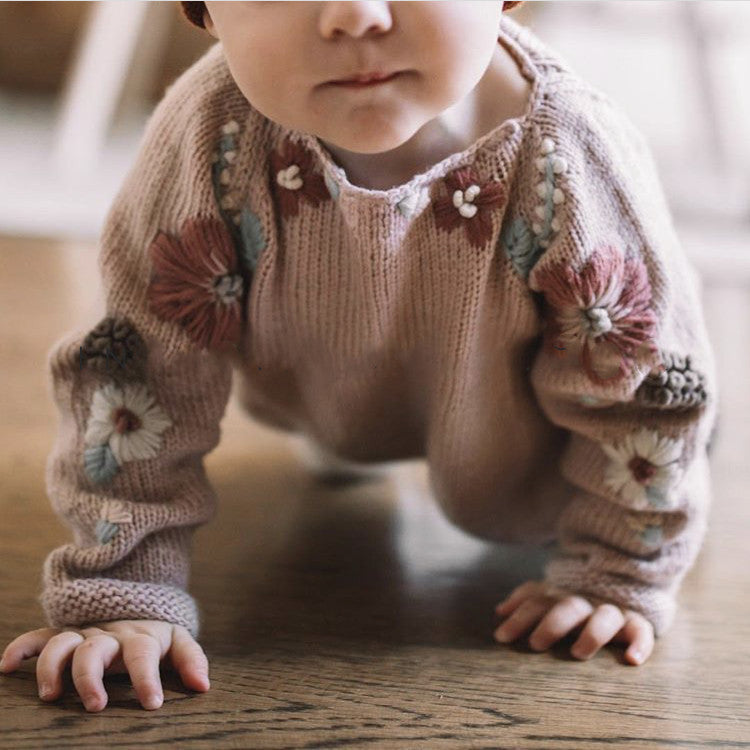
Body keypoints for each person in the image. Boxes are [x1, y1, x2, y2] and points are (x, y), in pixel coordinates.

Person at [0, 0, 719, 713]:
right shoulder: (209, 138)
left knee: (621, 396)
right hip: (322, 388)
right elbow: (139, 365)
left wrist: (618, 565)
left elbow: (645, 383)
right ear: (203, 12)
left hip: (535, 437)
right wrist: (124, 586)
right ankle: (359, 427)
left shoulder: (570, 156)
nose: (355, 16)